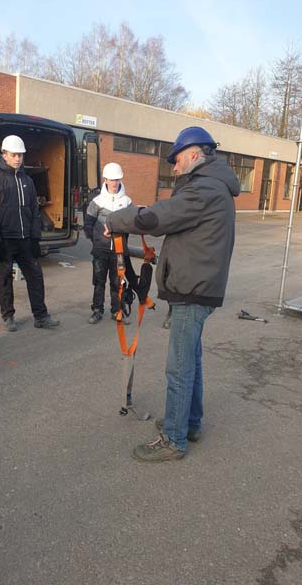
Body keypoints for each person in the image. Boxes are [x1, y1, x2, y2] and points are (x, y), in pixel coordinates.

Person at [105, 126, 240, 462]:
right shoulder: (211, 185)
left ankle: (175, 439)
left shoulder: (204, 188)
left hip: (193, 289)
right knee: (190, 360)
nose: (174, 167)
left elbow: (158, 217)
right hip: (198, 286)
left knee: (178, 367)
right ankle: (190, 423)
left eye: (177, 159)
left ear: (195, 153)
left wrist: (118, 219)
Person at [0, 135, 60, 330]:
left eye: (20, 155)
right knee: (5, 279)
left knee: (35, 276)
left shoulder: (28, 180)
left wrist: (35, 238)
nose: (18, 158)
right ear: (4, 155)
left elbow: (34, 212)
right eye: (14, 155)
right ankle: (8, 316)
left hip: (26, 240)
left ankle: (41, 316)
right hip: (6, 240)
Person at [84, 162, 132, 324]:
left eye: (117, 179)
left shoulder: (127, 202)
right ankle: (97, 310)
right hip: (100, 250)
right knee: (99, 281)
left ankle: (117, 310)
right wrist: (97, 240)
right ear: (105, 179)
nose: (115, 182)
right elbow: (88, 224)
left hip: (118, 251)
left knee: (117, 282)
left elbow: (132, 224)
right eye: (112, 179)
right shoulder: (97, 201)